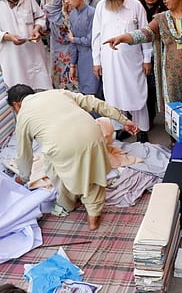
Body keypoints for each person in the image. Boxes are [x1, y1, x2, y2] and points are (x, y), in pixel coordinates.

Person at [8, 84, 139, 230]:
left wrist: (23, 177)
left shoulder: (24, 115)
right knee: (93, 171)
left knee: (54, 168)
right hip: (93, 135)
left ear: (16, 105)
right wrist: (123, 120)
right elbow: (94, 103)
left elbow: (24, 154)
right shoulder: (58, 93)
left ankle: (68, 204)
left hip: (63, 147)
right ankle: (93, 216)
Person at [103, 0, 182, 110]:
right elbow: (144, 33)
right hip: (172, 75)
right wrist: (123, 37)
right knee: (176, 112)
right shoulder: (162, 19)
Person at [92, 0, 152, 142]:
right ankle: (120, 127)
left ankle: (141, 129)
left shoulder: (136, 6)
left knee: (136, 94)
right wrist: (96, 62)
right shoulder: (101, 7)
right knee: (114, 95)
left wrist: (147, 59)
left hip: (133, 61)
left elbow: (146, 34)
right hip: (109, 62)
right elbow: (96, 36)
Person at [0, 0, 51, 90]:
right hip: (12, 56)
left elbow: (40, 16)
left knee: (41, 87)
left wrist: (37, 28)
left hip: (34, 53)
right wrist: (8, 37)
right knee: (18, 90)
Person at [61, 0, 99, 97]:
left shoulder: (92, 13)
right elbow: (73, 44)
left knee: (95, 96)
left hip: (93, 59)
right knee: (84, 96)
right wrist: (72, 65)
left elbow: (91, 39)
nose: (67, 1)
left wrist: (74, 39)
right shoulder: (72, 14)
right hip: (81, 61)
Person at [137, 0, 166, 127]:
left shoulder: (163, 10)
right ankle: (147, 119)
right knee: (145, 88)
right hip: (141, 55)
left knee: (158, 87)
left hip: (161, 55)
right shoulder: (138, 10)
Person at [44, 0, 76, 91]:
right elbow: (45, 29)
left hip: (71, 47)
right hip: (56, 49)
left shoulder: (73, 8)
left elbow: (73, 29)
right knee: (58, 79)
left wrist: (66, 14)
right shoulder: (48, 9)